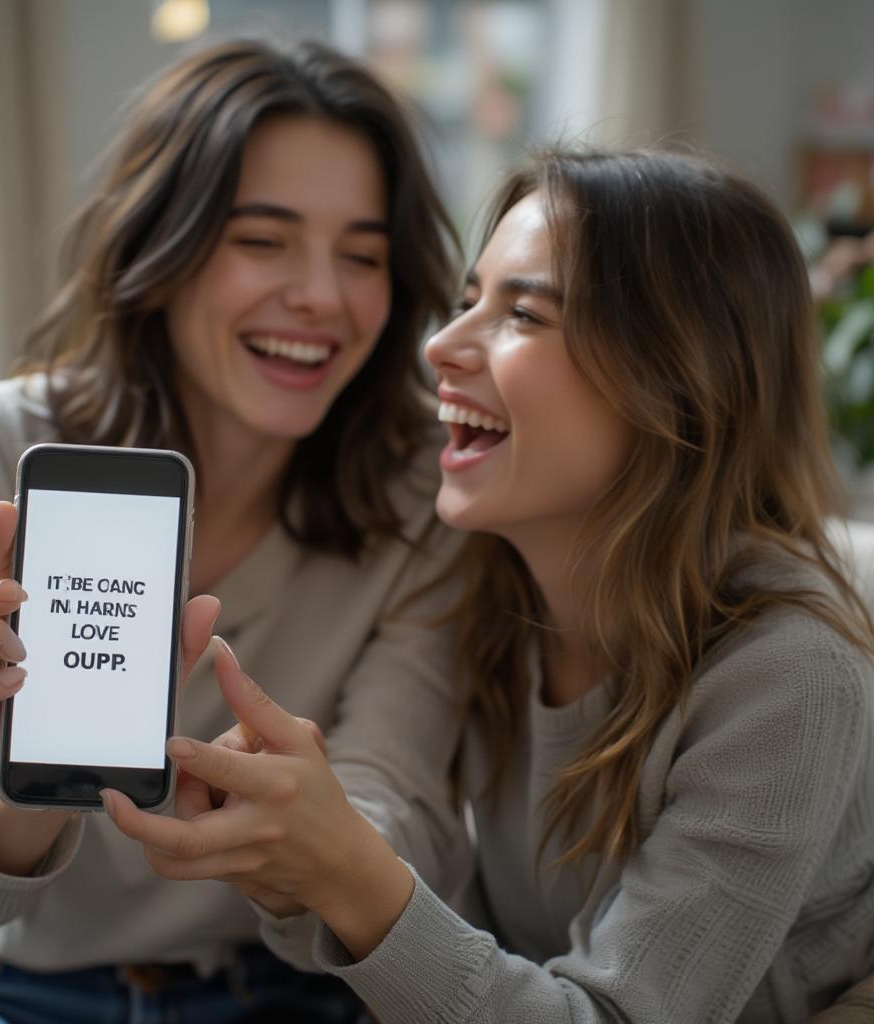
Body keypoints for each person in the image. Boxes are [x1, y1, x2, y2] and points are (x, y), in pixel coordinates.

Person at [105, 147, 874, 1023]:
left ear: (676, 378)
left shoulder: (790, 678)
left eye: (524, 314)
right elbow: (422, 916)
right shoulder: (483, 592)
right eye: (469, 298)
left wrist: (348, 872)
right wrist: (294, 861)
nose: (440, 343)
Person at [0, 38, 470, 1023]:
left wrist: (295, 843)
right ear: (163, 248)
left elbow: (402, 830)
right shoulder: (5, 442)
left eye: (362, 254)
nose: (321, 294)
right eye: (262, 240)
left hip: (274, 995)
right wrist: (23, 779)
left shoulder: (419, 494)